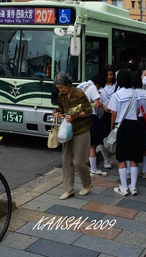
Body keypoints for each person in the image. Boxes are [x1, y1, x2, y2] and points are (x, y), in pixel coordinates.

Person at [53, 72, 94, 200]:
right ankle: (69, 188)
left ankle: (86, 184)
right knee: (66, 160)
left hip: (81, 129)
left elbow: (89, 110)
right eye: (58, 88)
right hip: (67, 130)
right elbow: (61, 109)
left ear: (69, 85)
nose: (60, 90)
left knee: (79, 161)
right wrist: (57, 113)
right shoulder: (61, 95)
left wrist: (75, 116)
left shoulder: (79, 94)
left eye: (62, 87)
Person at [108, 69, 145, 196]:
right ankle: (133, 187)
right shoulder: (136, 94)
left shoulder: (117, 95)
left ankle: (123, 187)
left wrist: (112, 127)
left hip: (121, 126)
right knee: (134, 157)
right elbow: (139, 111)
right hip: (134, 125)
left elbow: (114, 113)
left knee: (121, 157)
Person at [78, 73, 109, 177]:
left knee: (86, 144)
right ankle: (94, 169)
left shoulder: (83, 86)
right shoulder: (93, 88)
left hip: (82, 117)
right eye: (100, 86)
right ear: (98, 84)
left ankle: (87, 166)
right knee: (93, 145)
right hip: (91, 117)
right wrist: (102, 104)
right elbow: (96, 104)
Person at [131, 71, 146, 180]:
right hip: (144, 120)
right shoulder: (145, 93)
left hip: (134, 120)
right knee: (144, 146)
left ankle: (131, 170)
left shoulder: (132, 93)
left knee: (133, 145)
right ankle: (145, 170)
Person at [99, 65, 117, 169]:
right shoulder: (101, 86)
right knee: (103, 138)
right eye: (108, 75)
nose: (110, 77)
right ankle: (106, 160)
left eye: (111, 74)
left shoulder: (117, 85)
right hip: (104, 114)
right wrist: (103, 106)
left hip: (115, 114)